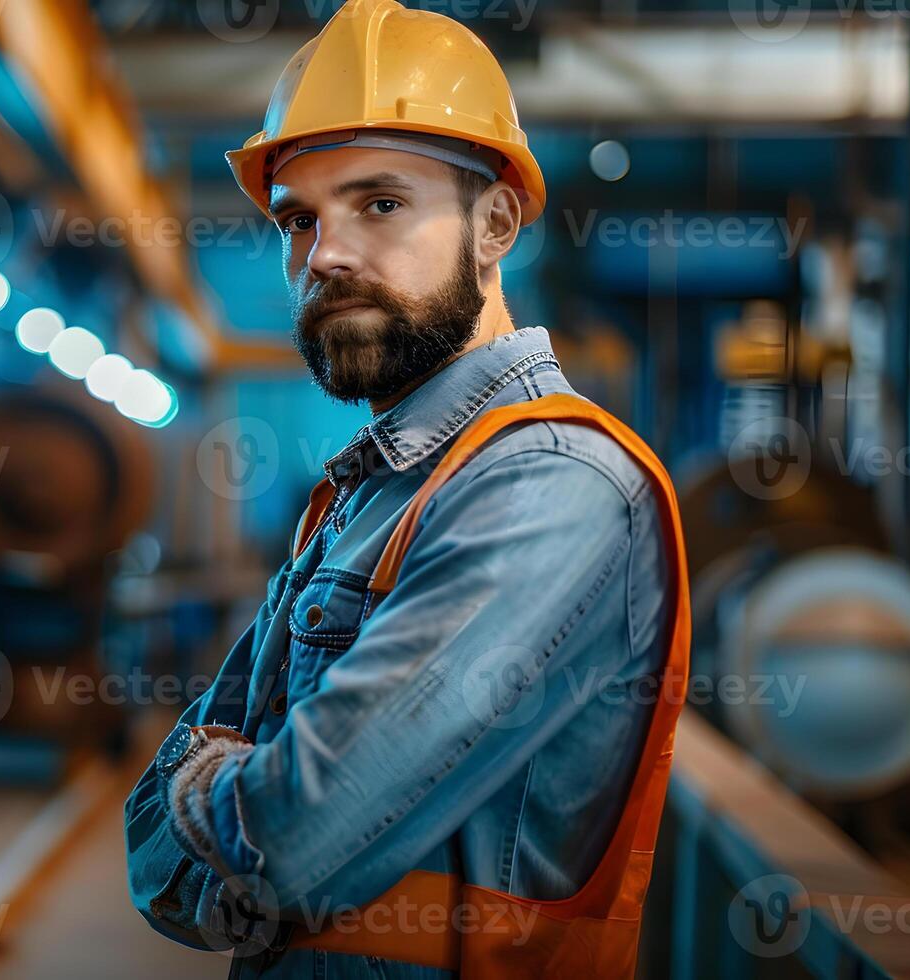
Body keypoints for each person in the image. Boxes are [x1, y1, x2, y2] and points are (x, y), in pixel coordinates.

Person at [124, 2, 690, 977]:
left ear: (495, 223)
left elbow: (289, 842)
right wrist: (228, 799)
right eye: (299, 217)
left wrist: (221, 786)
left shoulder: (554, 487)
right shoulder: (366, 494)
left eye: (379, 203)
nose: (324, 253)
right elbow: (151, 849)